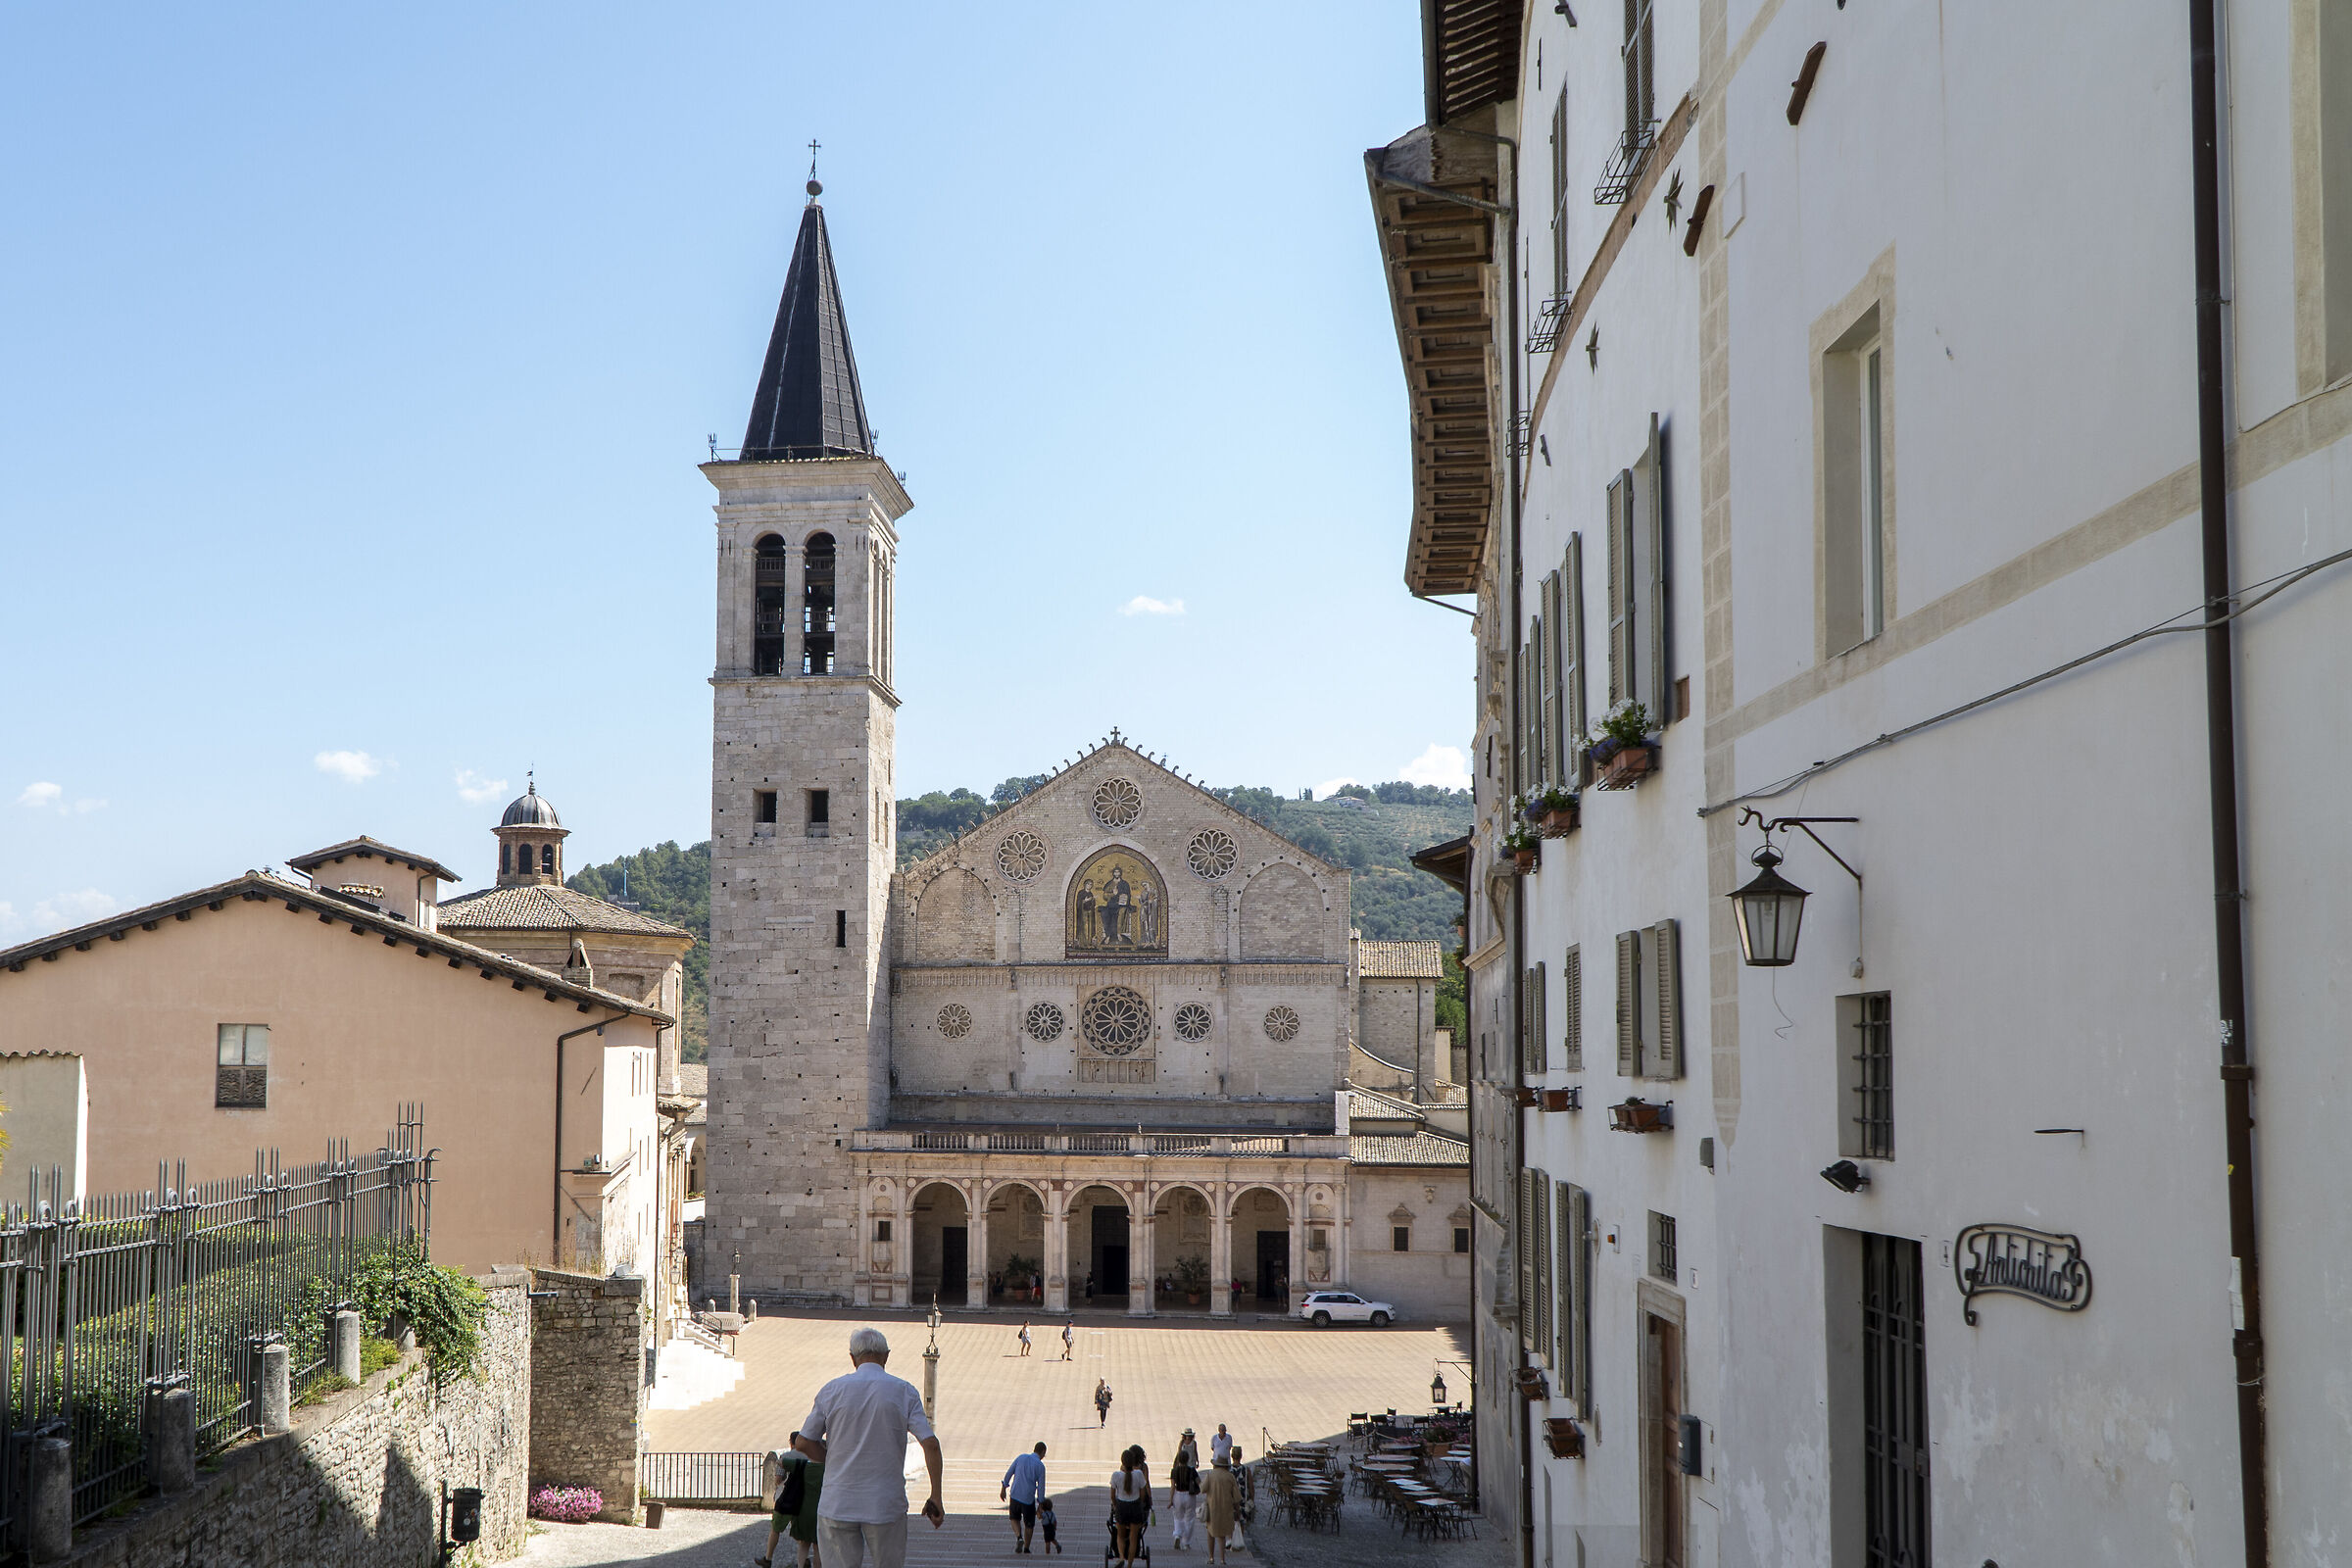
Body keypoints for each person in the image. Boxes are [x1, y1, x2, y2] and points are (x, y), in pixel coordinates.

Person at [795, 1327, 945, 1568]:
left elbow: (802, 1442)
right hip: (885, 1502)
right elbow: (931, 1444)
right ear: (886, 1356)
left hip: (838, 1501)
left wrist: (830, 1458)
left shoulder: (832, 1390)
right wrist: (936, 1495)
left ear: (852, 1358)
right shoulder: (903, 1391)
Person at [756, 1432, 823, 1568]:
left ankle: (768, 1558)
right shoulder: (810, 1459)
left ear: (791, 1442)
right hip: (804, 1502)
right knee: (803, 1535)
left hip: (786, 1500)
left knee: (776, 1530)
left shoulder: (786, 1457)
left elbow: (778, 1480)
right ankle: (804, 1561)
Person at [1001, 1442, 1048, 1554]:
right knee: (1029, 1524)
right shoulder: (1040, 1466)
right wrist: (1041, 1504)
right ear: (1042, 1452)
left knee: (1014, 1518)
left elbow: (1009, 1473)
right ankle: (1026, 1548)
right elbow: (1041, 1488)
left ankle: (1019, 1537)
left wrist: (1003, 1488)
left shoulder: (1021, 1457)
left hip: (1015, 1494)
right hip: (1028, 1499)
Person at [1110, 1446, 1152, 1568]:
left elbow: (1112, 1496)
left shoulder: (1116, 1475)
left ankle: (1122, 1556)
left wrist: (1116, 1506)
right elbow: (1143, 1493)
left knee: (1120, 1536)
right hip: (1135, 1507)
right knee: (1134, 1538)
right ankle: (1129, 1565)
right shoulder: (1139, 1474)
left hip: (1122, 1507)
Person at [1202, 1455, 1239, 1566]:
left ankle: (1211, 1557)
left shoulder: (1210, 1475)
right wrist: (1238, 1510)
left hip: (1212, 1507)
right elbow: (1236, 1496)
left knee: (1210, 1532)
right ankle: (1222, 1559)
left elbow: (1203, 1489)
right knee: (1222, 1535)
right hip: (1226, 1508)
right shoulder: (1230, 1476)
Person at [1167, 1446, 1200, 1552]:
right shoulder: (1192, 1470)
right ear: (1187, 1459)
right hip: (1189, 1495)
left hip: (1178, 1494)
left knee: (1177, 1517)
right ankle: (1186, 1543)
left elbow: (1173, 1486)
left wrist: (1170, 1500)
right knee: (1189, 1519)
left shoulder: (1174, 1471)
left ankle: (1177, 1534)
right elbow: (1199, 1482)